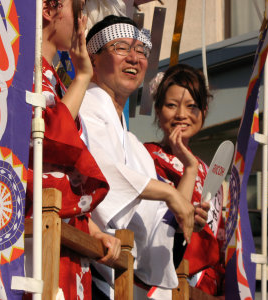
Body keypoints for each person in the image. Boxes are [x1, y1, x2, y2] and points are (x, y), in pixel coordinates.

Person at [79, 15, 209, 299]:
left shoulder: (135, 146)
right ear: (93, 57)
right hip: (81, 262)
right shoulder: (82, 107)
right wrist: (168, 193)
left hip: (116, 276)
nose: (134, 58)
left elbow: (154, 230)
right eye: (121, 48)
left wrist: (184, 215)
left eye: (141, 51)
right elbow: (101, 172)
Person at [24, 1, 121, 299]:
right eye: (78, 12)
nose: (83, 22)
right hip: (34, 226)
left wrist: (92, 231)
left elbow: (63, 170)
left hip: (63, 227)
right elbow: (48, 139)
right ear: (48, 10)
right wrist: (82, 77)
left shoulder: (53, 81)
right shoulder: (23, 70)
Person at [144, 64, 225, 296]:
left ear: (204, 112)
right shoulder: (145, 157)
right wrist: (189, 168)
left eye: (192, 107)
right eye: (171, 105)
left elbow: (219, 242)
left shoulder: (212, 173)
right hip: (163, 281)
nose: (182, 115)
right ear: (158, 110)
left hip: (204, 289)